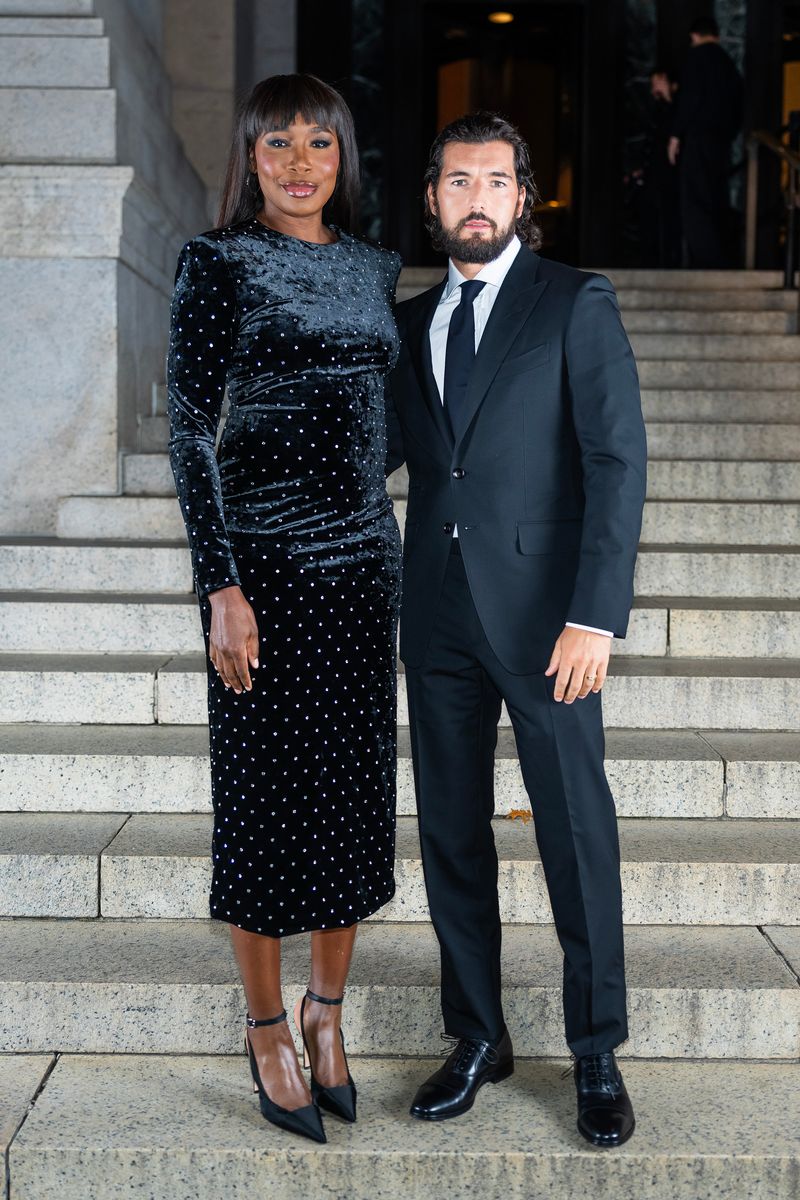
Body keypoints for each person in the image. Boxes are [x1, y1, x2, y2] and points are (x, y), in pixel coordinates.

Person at [385, 111, 647, 1148]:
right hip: (435, 612)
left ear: (522, 197)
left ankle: (593, 1051)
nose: (474, 198)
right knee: (450, 834)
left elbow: (614, 462)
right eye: (456, 182)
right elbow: (402, 460)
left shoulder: (573, 300)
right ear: (432, 199)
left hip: (549, 623)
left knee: (574, 832)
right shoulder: (409, 322)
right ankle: (477, 1036)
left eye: (494, 180)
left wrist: (595, 615)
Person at [167, 72, 402, 1144]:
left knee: (349, 800)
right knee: (263, 805)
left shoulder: (373, 266)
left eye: (318, 144)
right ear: (249, 159)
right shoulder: (216, 262)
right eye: (277, 147)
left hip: (363, 572)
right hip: (260, 576)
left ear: (341, 157)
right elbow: (187, 428)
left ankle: (326, 1013)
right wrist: (220, 586)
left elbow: (387, 424)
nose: (300, 164)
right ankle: (264, 1025)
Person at [667, 15, 744, 267]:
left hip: (699, 138)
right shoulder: (727, 63)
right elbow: (738, 106)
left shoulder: (697, 58)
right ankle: (721, 256)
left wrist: (676, 135)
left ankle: (706, 258)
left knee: (696, 199)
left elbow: (691, 99)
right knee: (716, 197)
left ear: (694, 36)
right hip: (721, 142)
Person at [640, 69, 681, 267]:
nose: (656, 86)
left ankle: (671, 258)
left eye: (659, 81)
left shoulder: (677, 107)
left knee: (671, 214)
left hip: (673, 171)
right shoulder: (655, 108)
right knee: (654, 214)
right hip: (656, 171)